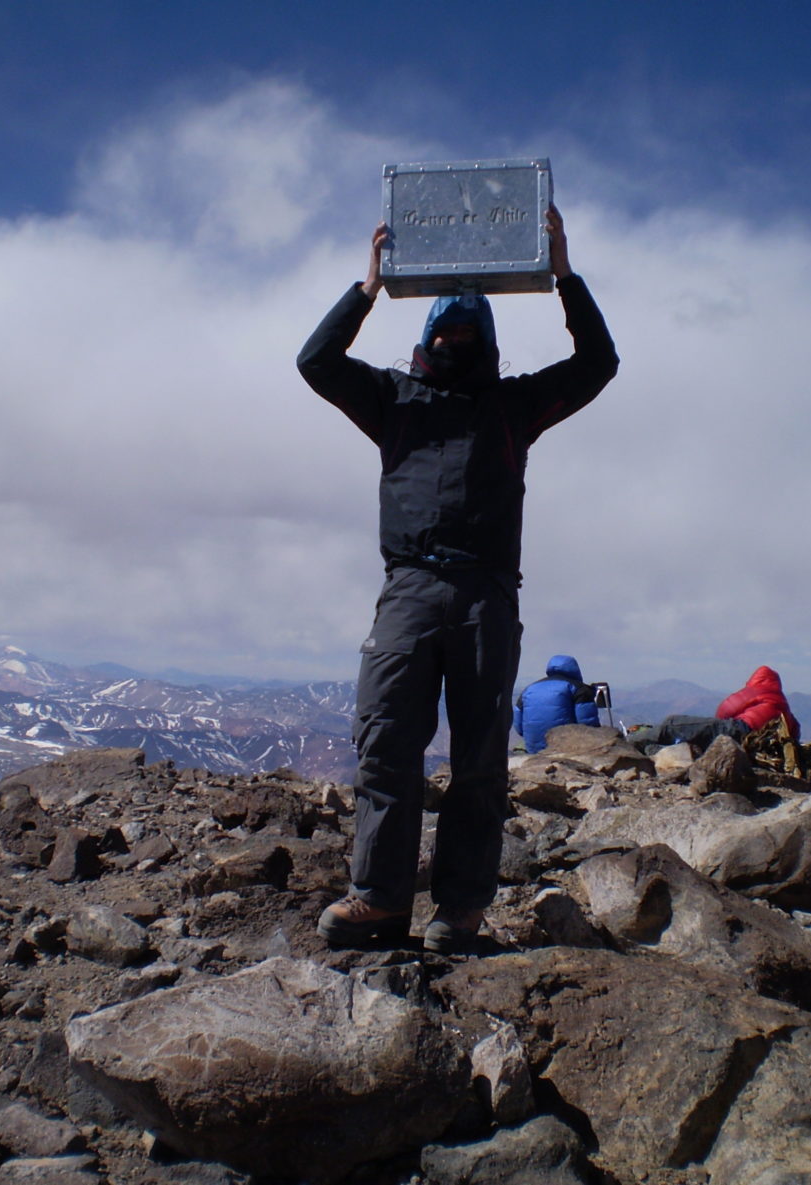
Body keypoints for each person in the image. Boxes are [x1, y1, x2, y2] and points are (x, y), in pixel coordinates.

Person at [298, 205, 618, 952]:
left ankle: (459, 913)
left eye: (466, 334)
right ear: (424, 340)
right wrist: (367, 287)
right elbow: (315, 363)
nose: (453, 342)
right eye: (443, 332)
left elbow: (597, 366)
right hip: (409, 588)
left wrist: (565, 275)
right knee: (385, 744)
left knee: (479, 758)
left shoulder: (513, 406)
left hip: (485, 595)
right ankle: (378, 900)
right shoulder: (393, 400)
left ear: (486, 344)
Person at [634, 665, 799, 753]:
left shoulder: (760, 690)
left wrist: (721, 722)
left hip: (739, 729)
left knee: (672, 724)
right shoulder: (783, 705)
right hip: (757, 742)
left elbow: (726, 708)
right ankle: (649, 748)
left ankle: (632, 740)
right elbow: (795, 730)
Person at [513, 654, 600, 753]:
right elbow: (588, 725)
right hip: (567, 750)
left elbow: (519, 726)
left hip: (533, 750)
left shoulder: (529, 689)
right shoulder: (579, 689)